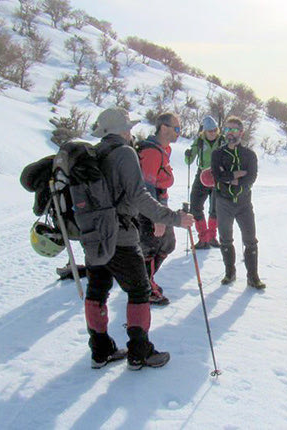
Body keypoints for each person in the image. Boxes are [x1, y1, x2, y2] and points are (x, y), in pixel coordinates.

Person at [84, 107, 193, 370]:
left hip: (93, 235)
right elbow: (139, 196)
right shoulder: (124, 153)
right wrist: (174, 218)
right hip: (120, 235)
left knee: (97, 290)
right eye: (128, 128)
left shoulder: (93, 153)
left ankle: (100, 351)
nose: (130, 132)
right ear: (121, 129)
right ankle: (139, 353)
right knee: (139, 291)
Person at [210, 115, 265, 289]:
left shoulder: (249, 154)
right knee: (225, 239)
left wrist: (232, 179)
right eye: (227, 129)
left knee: (250, 240)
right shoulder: (217, 153)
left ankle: (253, 277)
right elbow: (217, 177)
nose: (229, 133)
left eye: (233, 129)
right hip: (223, 201)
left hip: (243, 203)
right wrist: (237, 174)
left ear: (241, 132)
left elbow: (251, 178)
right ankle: (230, 272)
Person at [135, 112, 180, 306]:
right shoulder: (152, 152)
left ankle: (147, 282)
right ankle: (145, 289)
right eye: (176, 128)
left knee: (167, 244)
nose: (179, 132)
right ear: (164, 128)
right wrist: (157, 217)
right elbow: (148, 185)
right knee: (151, 247)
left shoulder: (162, 149)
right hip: (151, 208)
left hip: (159, 205)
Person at [185, 116, 224, 249]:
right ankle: (203, 238)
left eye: (214, 130)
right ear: (204, 131)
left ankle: (212, 237)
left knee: (215, 208)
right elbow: (188, 162)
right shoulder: (199, 141)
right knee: (195, 205)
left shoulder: (223, 141)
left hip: (218, 177)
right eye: (209, 131)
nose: (212, 133)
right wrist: (188, 155)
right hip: (201, 175)